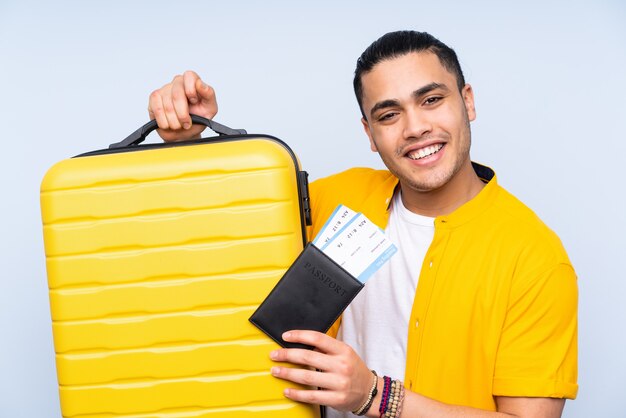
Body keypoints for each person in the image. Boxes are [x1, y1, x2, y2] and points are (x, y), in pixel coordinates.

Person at [147, 31, 578, 418]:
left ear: (467, 101)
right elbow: (212, 238)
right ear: (369, 133)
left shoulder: (535, 258)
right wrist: (191, 143)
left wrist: (374, 396)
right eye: (389, 115)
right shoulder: (336, 199)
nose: (416, 128)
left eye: (432, 100)